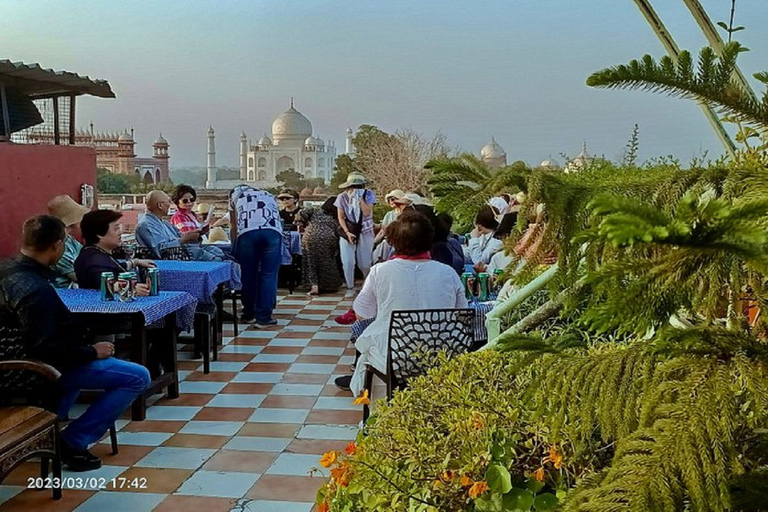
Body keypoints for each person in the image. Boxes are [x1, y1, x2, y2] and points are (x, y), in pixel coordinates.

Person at [0, 215, 150, 471]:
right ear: (58, 245)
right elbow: (47, 349)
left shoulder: (7, 269)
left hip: (19, 360)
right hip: (27, 370)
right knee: (138, 376)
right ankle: (72, 441)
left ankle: (49, 430)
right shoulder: (34, 289)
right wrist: (91, 351)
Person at [334, 211, 468, 395]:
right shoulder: (448, 273)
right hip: (442, 355)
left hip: (395, 357)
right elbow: (462, 314)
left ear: (392, 240)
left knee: (366, 340)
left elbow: (362, 314)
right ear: (430, 239)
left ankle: (375, 408)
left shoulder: (379, 271)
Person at [229, 184, 282, 326]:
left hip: (248, 234)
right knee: (269, 275)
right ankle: (264, 317)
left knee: (248, 274)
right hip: (272, 233)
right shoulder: (268, 194)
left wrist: (234, 247)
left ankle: (249, 314)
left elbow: (233, 225)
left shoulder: (236, 197)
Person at [74, 210, 155, 292]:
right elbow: (102, 282)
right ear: (100, 233)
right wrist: (130, 288)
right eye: (116, 228)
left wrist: (135, 262)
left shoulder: (97, 253)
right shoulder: (93, 259)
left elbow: (115, 266)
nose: (120, 232)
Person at [135, 190, 227, 261]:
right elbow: (160, 250)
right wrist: (184, 239)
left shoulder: (164, 223)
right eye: (168, 202)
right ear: (160, 205)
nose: (170, 205)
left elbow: (180, 236)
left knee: (218, 252)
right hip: (175, 258)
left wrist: (197, 234)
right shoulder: (146, 225)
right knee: (218, 260)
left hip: (187, 250)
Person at [335, 172, 376, 291]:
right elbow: (341, 217)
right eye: (353, 187)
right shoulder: (342, 197)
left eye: (359, 187)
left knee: (365, 262)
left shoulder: (368, 195)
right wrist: (347, 233)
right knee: (347, 261)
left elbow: (368, 212)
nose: (356, 189)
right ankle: (350, 286)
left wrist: (360, 199)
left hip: (365, 230)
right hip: (349, 230)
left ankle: (366, 284)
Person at [297, 197, 342, 296]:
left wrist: (301, 224)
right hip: (329, 238)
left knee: (310, 261)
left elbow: (301, 213)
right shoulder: (336, 216)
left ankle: (314, 285)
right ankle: (328, 285)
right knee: (327, 261)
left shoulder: (315, 211)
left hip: (311, 237)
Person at [47, 194, 89, 288]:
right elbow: (79, 278)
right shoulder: (57, 245)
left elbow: (86, 255)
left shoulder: (69, 239)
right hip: (63, 294)